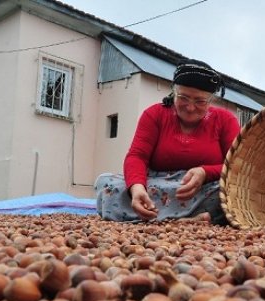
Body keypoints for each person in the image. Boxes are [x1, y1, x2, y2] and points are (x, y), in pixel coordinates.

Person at [95, 59, 241, 224]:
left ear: (210, 100)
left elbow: (236, 167)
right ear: (174, 93)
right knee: (106, 183)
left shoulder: (225, 120)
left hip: (204, 188)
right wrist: (137, 188)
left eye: (200, 101)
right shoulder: (154, 114)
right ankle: (201, 218)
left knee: (233, 192)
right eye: (184, 97)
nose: (190, 107)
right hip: (158, 184)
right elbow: (137, 156)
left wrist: (205, 173)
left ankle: (200, 215)